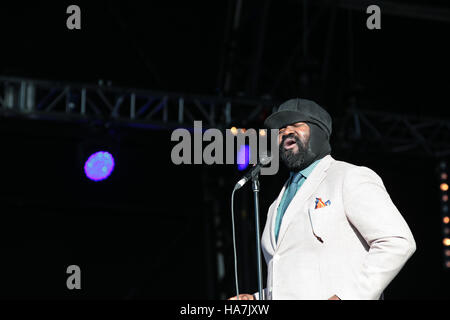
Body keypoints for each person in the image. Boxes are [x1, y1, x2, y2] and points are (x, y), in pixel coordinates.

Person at [229, 98, 416, 300]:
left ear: (319, 131)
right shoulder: (276, 205)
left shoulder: (348, 176)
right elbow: (294, 280)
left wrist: (347, 297)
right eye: (280, 130)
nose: (286, 132)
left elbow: (397, 241)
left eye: (296, 125)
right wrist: (257, 298)